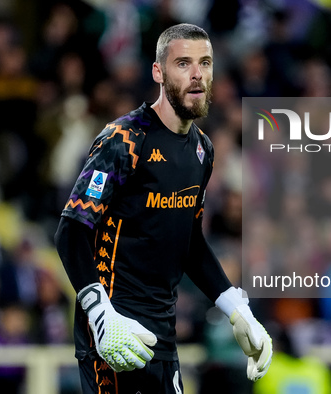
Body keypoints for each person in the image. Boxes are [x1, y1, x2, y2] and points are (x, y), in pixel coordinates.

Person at [54, 23, 272, 394]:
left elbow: (189, 242)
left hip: (163, 339)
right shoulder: (124, 140)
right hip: (113, 337)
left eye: (205, 63)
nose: (197, 74)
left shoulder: (202, 150)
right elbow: (71, 230)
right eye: (183, 63)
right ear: (158, 72)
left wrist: (237, 308)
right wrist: (100, 314)